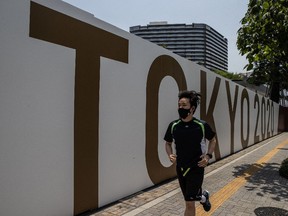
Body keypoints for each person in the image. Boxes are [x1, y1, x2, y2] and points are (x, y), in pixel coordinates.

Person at [164, 90, 217, 216]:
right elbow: (168, 143)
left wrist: (208, 156)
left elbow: (213, 140)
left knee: (189, 203)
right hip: (180, 168)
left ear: (192, 108)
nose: (180, 108)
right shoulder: (174, 125)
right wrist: (170, 154)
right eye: (179, 105)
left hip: (196, 168)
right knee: (190, 198)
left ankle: (201, 196)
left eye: (183, 105)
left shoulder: (201, 125)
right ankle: (204, 197)